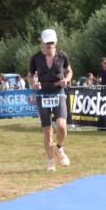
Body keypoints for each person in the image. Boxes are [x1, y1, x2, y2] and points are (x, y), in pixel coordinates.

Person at [27, 29, 73, 172]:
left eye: (52, 43)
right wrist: (33, 84)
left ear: (56, 42)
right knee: (47, 131)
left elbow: (70, 71)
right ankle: (50, 161)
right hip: (42, 95)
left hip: (58, 92)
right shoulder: (36, 58)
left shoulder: (62, 56)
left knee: (61, 126)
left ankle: (59, 148)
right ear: (42, 43)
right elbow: (29, 75)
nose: (49, 46)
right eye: (47, 44)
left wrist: (66, 79)